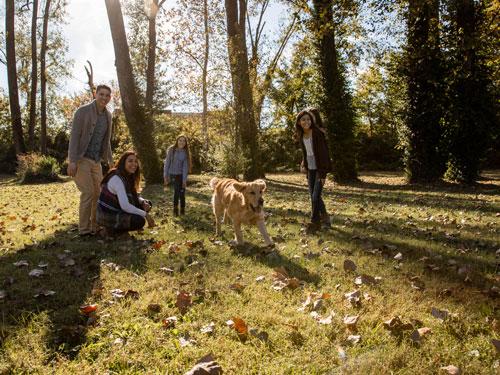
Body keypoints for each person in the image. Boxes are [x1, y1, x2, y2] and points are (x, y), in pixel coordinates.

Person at [67, 85, 114, 236]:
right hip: (81, 159)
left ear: (110, 98)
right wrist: (72, 161)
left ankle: (95, 226)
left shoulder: (108, 116)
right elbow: (74, 137)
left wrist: (111, 161)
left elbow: (106, 141)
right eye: (101, 94)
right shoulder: (83, 112)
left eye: (107, 95)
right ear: (95, 94)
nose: (104, 98)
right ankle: (84, 229)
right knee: (87, 192)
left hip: (96, 161)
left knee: (98, 194)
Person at [96, 151, 155, 235]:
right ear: (123, 162)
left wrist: (142, 201)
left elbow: (132, 197)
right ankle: (110, 230)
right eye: (130, 161)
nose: (134, 164)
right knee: (139, 221)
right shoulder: (117, 178)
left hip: (118, 209)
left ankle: (119, 229)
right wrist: (146, 215)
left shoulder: (127, 176)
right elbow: (125, 206)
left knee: (148, 203)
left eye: (135, 161)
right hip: (108, 214)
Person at [295, 109, 332, 232]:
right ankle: (326, 219)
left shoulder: (317, 133)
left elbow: (323, 154)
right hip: (310, 169)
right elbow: (306, 153)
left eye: (308, 119)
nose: (306, 121)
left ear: (312, 120)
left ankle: (314, 222)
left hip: (319, 169)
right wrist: (304, 165)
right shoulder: (302, 135)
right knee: (314, 196)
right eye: (303, 119)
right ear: (299, 122)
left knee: (315, 196)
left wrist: (322, 173)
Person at [163, 135, 192, 216]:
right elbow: (167, 163)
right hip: (172, 174)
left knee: (182, 193)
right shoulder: (171, 150)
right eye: (180, 140)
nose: (182, 142)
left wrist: (184, 180)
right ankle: (175, 210)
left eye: (184, 141)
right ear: (177, 141)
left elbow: (185, 167)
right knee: (176, 192)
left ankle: (182, 210)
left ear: (186, 143)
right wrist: (165, 176)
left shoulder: (185, 153)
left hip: (180, 175)